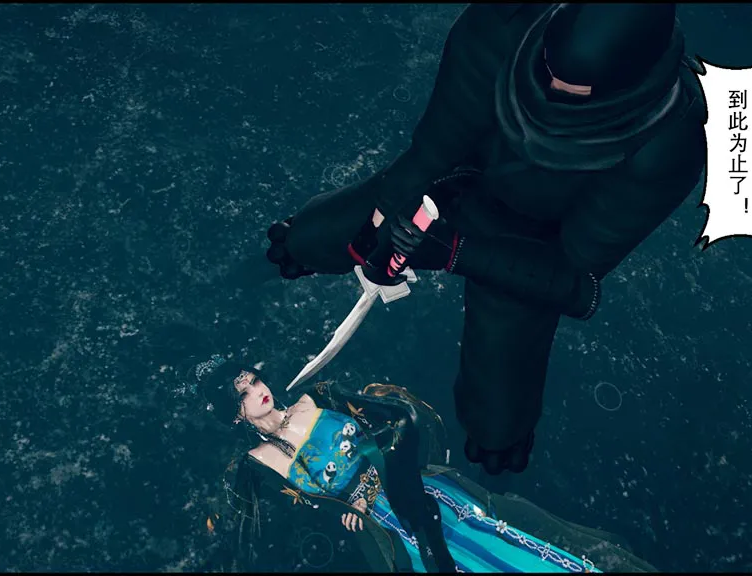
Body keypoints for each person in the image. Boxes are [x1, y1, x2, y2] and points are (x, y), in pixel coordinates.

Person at [264, 3, 706, 478]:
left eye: (575, 91)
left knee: (496, 422)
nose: (552, 92)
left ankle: (502, 436)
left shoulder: (670, 138)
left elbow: (574, 279)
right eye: (549, 72)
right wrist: (378, 222)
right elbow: (436, 144)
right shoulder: (502, 23)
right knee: (310, 237)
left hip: (533, 245)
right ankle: (307, 246)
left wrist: (455, 252)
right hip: (457, 180)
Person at [193, 355, 657, 573]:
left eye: (254, 381)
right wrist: (343, 513)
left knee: (490, 536)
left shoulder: (317, 399)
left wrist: (376, 472)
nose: (258, 391)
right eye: (244, 393)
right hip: (385, 529)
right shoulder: (257, 463)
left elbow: (396, 422)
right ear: (236, 413)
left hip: (412, 488)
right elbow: (298, 517)